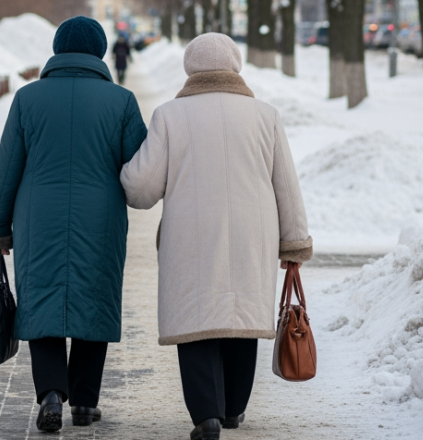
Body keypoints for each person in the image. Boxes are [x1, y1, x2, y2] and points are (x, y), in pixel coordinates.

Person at [119, 33, 313, 440]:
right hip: (252, 233)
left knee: (196, 316)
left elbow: (141, 190)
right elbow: (287, 187)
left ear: (190, 68)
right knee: (240, 314)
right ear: (236, 65)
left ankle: (206, 414)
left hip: (190, 235)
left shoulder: (170, 116)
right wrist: (294, 242)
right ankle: (234, 409)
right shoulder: (265, 115)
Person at [0, 16, 148, 433]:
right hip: (101, 216)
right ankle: (86, 405)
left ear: (57, 50)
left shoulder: (28, 98)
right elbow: (140, 165)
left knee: (42, 301)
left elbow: (6, 170)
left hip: (37, 216)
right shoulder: (122, 101)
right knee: (95, 298)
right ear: (100, 53)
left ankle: (51, 393)